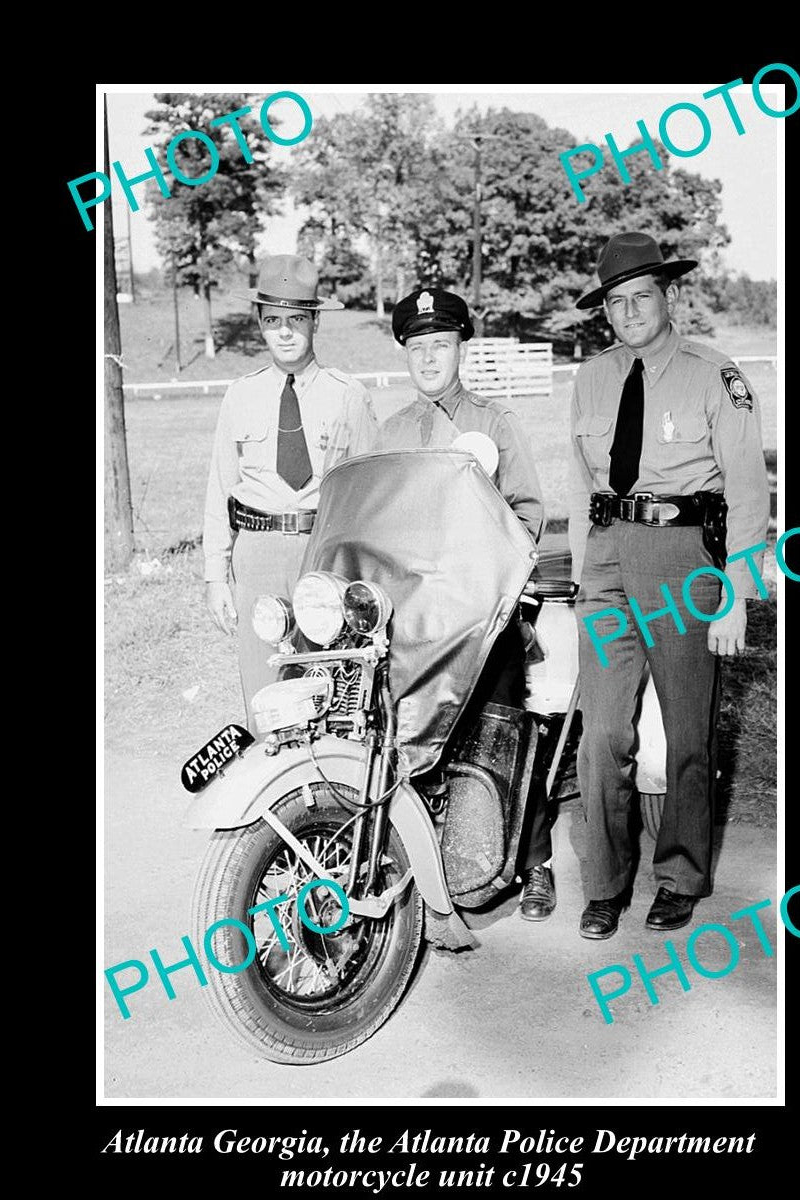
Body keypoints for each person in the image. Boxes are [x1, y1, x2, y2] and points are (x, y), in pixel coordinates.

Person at [568, 232, 770, 939]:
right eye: (615, 304)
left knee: (686, 729)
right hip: (605, 562)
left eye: (640, 298)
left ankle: (679, 875)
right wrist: (580, 575)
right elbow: (578, 484)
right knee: (602, 732)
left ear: (667, 297)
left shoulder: (713, 373)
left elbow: (748, 489)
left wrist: (737, 594)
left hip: (685, 557)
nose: (628, 314)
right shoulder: (590, 379)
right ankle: (605, 883)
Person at [374, 286, 556, 921]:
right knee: (398, 732)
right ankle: (414, 859)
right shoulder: (390, 432)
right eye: (418, 347)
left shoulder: (494, 424)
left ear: (460, 350)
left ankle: (534, 863)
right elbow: (369, 520)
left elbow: (530, 511)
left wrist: (492, 572)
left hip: (484, 616)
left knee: (504, 725)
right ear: (406, 353)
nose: (429, 359)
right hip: (413, 622)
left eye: (441, 346)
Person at [203, 254, 378, 727]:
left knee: (329, 688)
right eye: (274, 320)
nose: (285, 332)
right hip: (257, 553)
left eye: (297, 319)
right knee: (265, 693)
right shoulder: (241, 396)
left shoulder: (348, 395)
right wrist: (216, 576)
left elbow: (368, 496)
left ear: (314, 321)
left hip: (321, 554)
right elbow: (221, 488)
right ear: (259, 322)